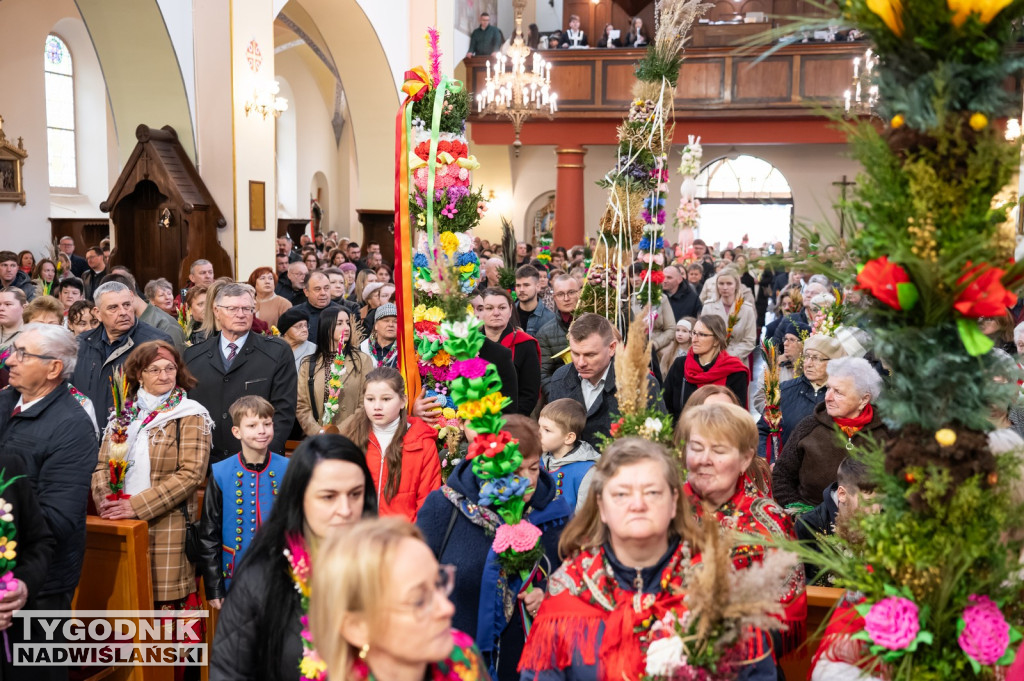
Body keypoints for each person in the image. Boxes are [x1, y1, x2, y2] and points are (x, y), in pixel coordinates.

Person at [519, 437, 778, 681]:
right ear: (602, 506)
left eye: (652, 492)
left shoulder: (717, 585)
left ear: (674, 502)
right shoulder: (568, 591)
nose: (638, 505)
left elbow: (757, 674)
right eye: (621, 494)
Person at [210, 434, 377, 681]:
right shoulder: (262, 577)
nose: (345, 510)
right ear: (299, 499)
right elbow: (229, 672)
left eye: (355, 494)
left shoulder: (383, 567)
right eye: (328, 496)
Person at [417, 415, 570, 679]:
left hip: (530, 666)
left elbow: (574, 579)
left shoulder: (554, 515)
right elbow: (412, 583)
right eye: (515, 471)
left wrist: (548, 594)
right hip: (457, 663)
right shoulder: (445, 507)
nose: (528, 480)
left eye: (534, 468)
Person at [678, 403, 808, 657]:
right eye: (696, 448)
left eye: (718, 450)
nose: (704, 460)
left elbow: (786, 613)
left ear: (745, 459)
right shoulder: (664, 509)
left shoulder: (768, 520)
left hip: (742, 658)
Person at [90, 340, 212, 609]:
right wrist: (108, 504)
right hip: (120, 523)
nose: (164, 375)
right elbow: (101, 467)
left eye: (170, 368)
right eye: (154, 369)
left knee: (161, 609)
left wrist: (135, 506)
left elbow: (191, 474)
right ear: (139, 374)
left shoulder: (190, 414)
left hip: (167, 526)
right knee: (124, 602)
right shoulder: (123, 415)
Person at [0, 324, 98, 640]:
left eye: (22, 354)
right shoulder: (4, 402)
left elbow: (58, 517)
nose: (9, 361)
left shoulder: (72, 426)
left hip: (39, 584)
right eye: (13, 351)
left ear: (53, 368)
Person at [310, 518, 488, 681]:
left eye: (438, 582)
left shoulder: (463, 657)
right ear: (357, 627)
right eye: (419, 601)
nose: (447, 608)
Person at [186, 282, 298, 463]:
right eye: (232, 309)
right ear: (216, 311)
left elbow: (284, 412)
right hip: (205, 463)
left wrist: (260, 456)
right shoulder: (193, 356)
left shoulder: (276, 352)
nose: (240, 314)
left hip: (259, 461)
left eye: (247, 309)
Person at [199, 395, 288, 607]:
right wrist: (214, 587)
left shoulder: (289, 468)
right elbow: (209, 534)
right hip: (235, 576)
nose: (262, 431)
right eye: (252, 425)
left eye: (267, 424)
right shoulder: (221, 472)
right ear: (236, 431)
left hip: (281, 577)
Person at [773, 357, 887, 511]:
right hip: (811, 520)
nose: (828, 397)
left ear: (864, 399)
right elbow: (781, 475)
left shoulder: (887, 433)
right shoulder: (809, 427)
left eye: (838, 392)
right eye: (828, 388)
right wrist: (800, 513)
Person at [545, 313, 665, 446]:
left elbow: (658, 441)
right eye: (575, 353)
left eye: (590, 355)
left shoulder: (641, 383)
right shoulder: (560, 378)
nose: (580, 363)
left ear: (612, 348)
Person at [340, 367, 440, 520]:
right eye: (370, 399)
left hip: (404, 532)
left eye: (386, 399)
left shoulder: (423, 443)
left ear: (403, 401)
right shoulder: (352, 438)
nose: (377, 406)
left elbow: (428, 504)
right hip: (359, 532)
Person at [72, 281, 172, 418]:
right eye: (113, 308)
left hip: (133, 428)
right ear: (97, 313)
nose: (123, 312)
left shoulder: (155, 343)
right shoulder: (80, 344)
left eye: (126, 305)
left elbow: (166, 398)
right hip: (88, 428)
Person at [756, 334, 844, 459]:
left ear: (833, 363)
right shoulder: (785, 390)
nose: (808, 363)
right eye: (807, 357)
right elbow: (763, 430)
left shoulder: (842, 395)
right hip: (784, 467)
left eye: (816, 358)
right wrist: (769, 461)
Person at [796, 456, 876, 584]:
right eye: (868, 502)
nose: (876, 510)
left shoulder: (886, 520)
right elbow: (797, 581)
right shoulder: (809, 525)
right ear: (842, 494)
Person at [297, 307, 374, 435]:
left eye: (347, 323)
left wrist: (338, 432)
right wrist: (319, 433)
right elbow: (301, 406)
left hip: (352, 436)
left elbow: (365, 403)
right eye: (340, 323)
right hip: (319, 438)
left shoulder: (362, 360)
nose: (347, 327)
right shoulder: (309, 363)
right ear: (326, 327)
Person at [663, 315, 750, 417]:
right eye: (693, 333)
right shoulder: (680, 365)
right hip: (681, 426)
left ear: (716, 340)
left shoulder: (734, 371)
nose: (694, 339)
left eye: (702, 335)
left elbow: (737, 414)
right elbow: (664, 405)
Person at [481, 288, 542, 416]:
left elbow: (529, 394)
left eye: (502, 308)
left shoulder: (525, 343)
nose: (496, 313)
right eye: (489, 308)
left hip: (512, 420)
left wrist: (509, 421)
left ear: (510, 311)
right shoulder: (470, 344)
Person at [538, 398, 600, 511]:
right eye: (539, 427)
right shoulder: (538, 461)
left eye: (547, 430)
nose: (539, 434)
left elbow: (584, 516)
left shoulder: (587, 471)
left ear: (569, 437)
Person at [701, 268, 757, 363]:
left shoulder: (747, 309)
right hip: (712, 359)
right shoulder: (708, 307)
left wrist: (728, 356)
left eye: (729, 283)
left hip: (737, 360)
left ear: (736, 285)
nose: (725, 287)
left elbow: (750, 341)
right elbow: (702, 334)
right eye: (721, 283)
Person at [537, 274, 579, 387]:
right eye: (560, 294)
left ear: (579, 293)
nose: (566, 298)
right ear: (554, 298)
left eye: (571, 292)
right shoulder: (544, 333)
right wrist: (559, 394)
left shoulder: (594, 323)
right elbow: (544, 374)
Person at [290, 270, 341, 340]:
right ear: (306, 292)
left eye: (326, 288)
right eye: (317, 289)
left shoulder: (342, 313)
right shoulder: (294, 314)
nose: (323, 293)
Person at [515, 265, 556, 337]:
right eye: (518, 285)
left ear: (538, 287)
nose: (521, 289)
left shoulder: (550, 318)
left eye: (526, 285)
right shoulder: (508, 314)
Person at [359, 302, 399, 369]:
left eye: (395, 321)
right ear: (376, 325)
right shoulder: (362, 348)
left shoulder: (405, 350)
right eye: (386, 321)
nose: (391, 325)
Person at [277, 307, 316, 372]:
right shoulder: (274, 348)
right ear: (285, 331)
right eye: (299, 326)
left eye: (306, 325)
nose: (305, 329)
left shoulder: (314, 350)